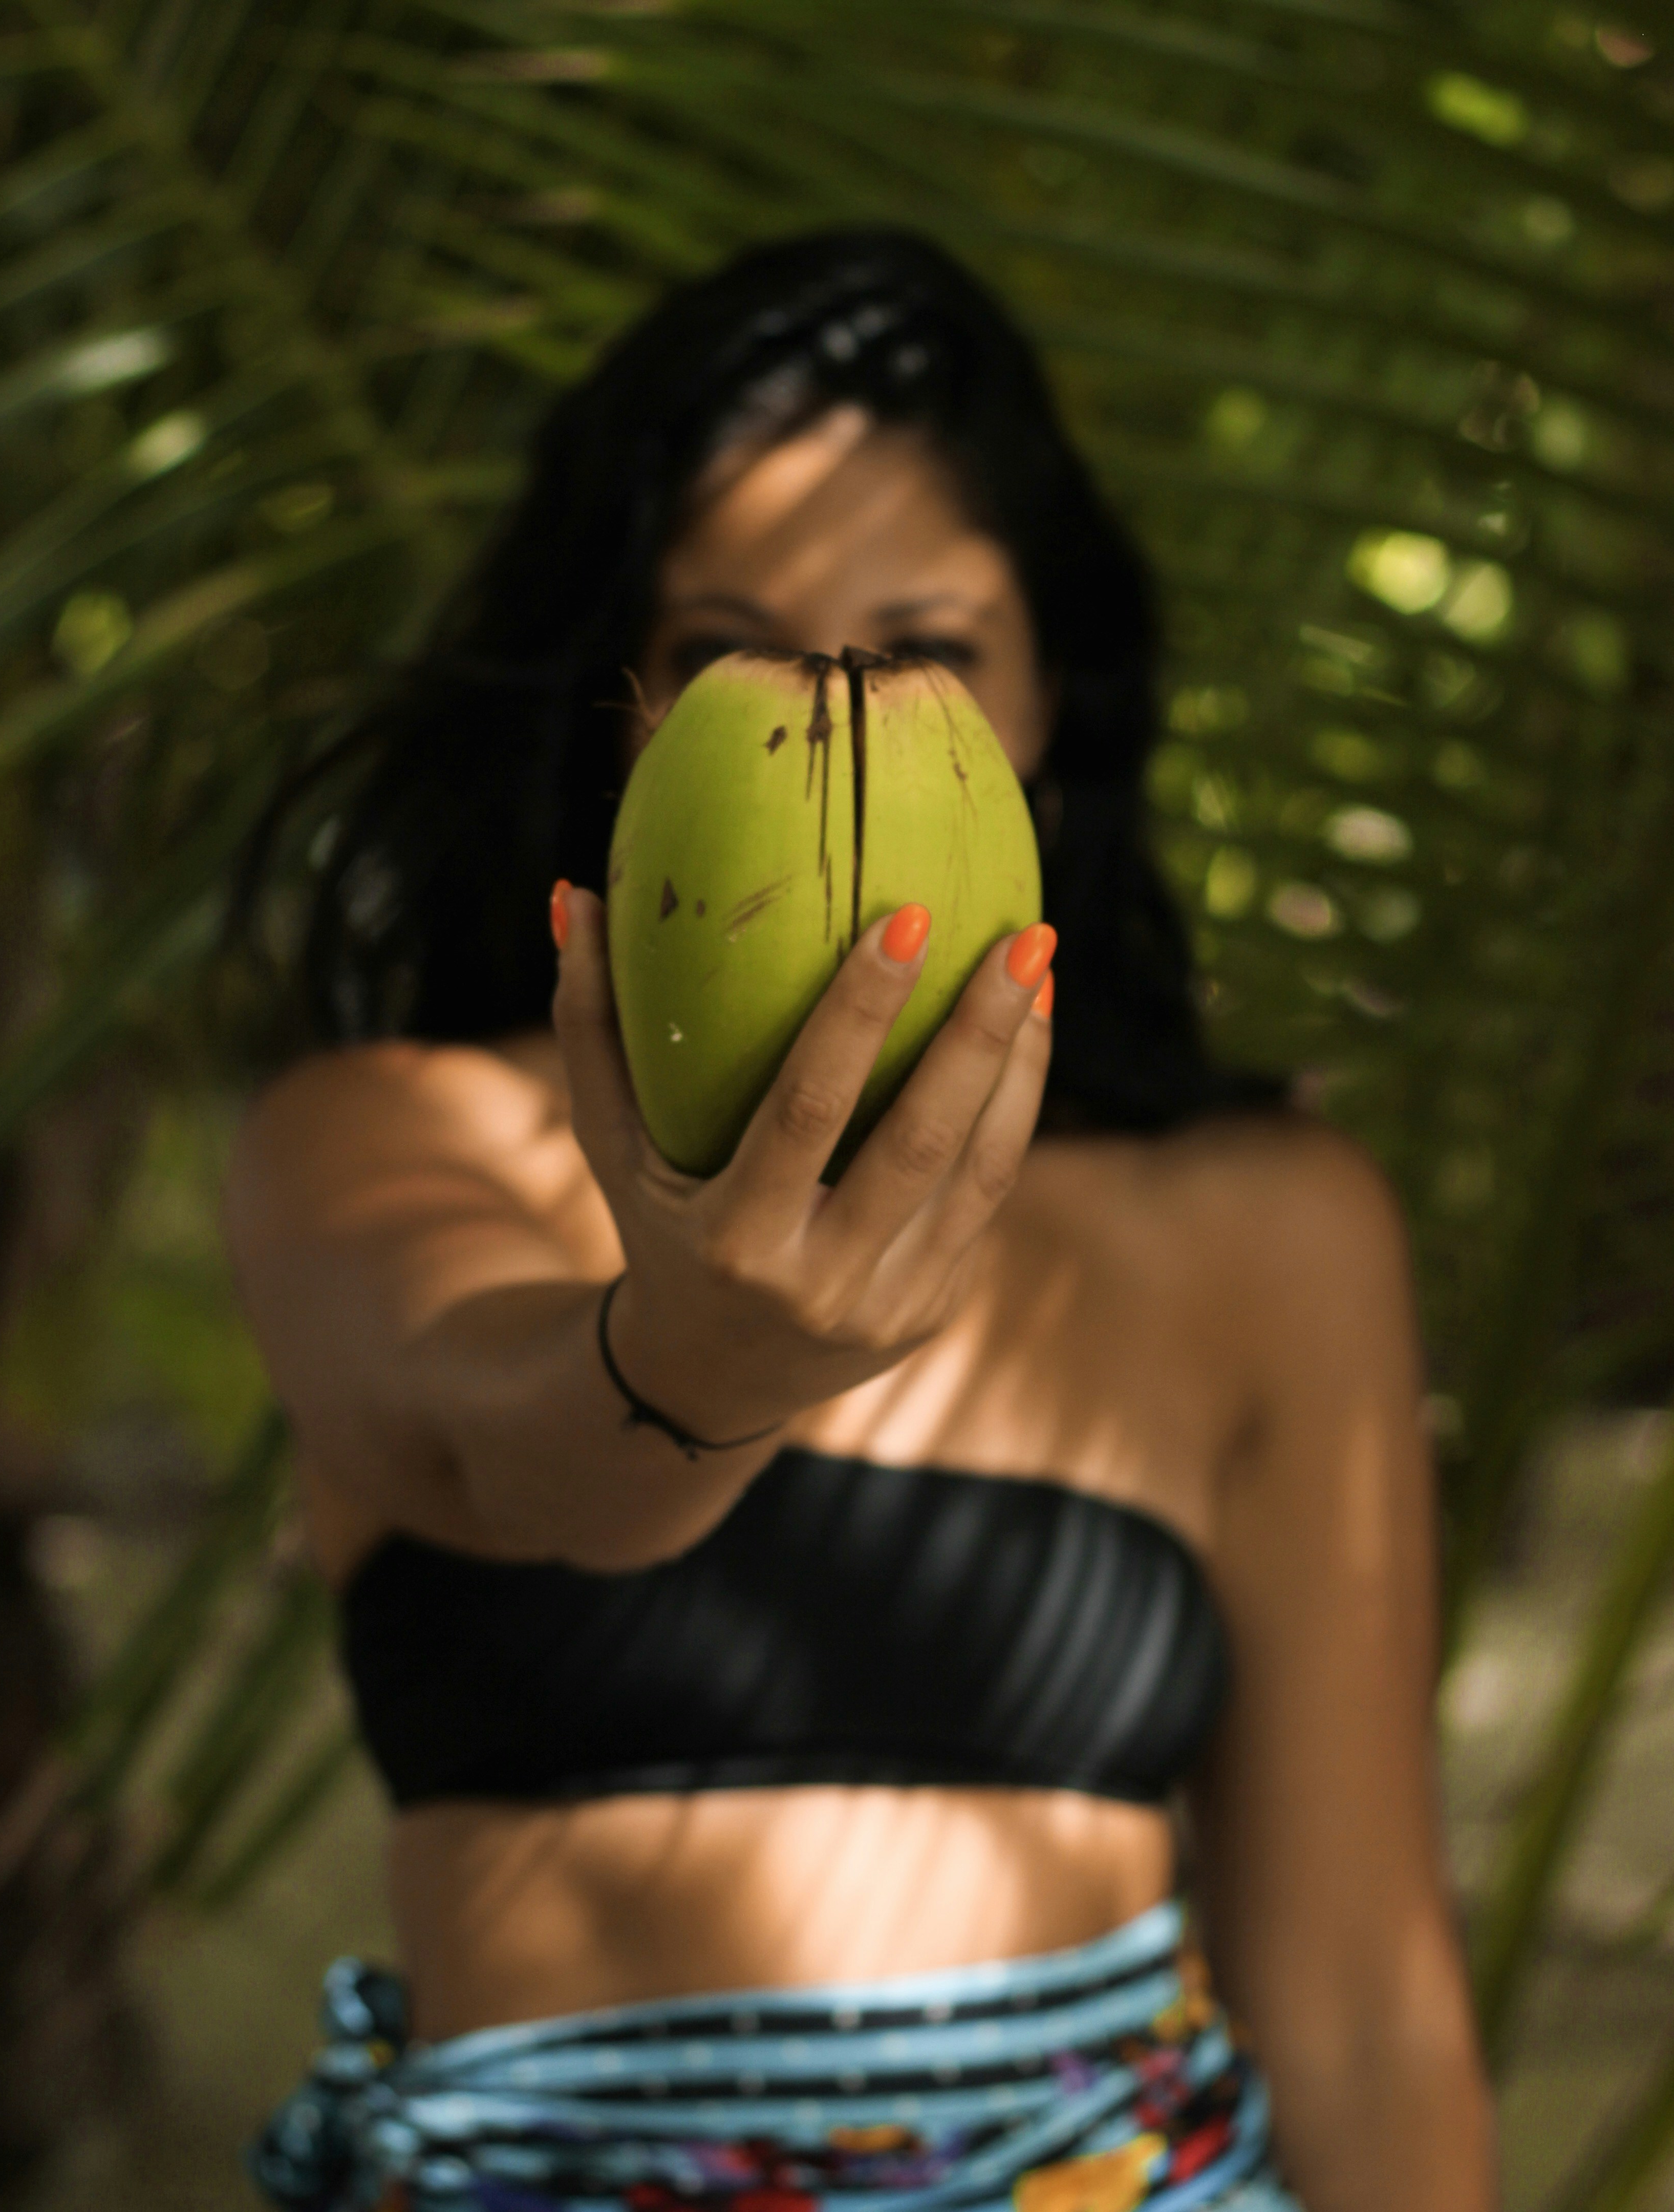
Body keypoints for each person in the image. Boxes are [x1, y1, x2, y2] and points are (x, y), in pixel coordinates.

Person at [228, 230, 1495, 2212]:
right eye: (731, 655)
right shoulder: (393, 1145)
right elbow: (505, 1434)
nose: (824, 735)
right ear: (617, 727)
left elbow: (1354, 2008)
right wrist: (691, 1371)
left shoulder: (1265, 1229)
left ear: (1050, 704)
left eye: (923, 656)